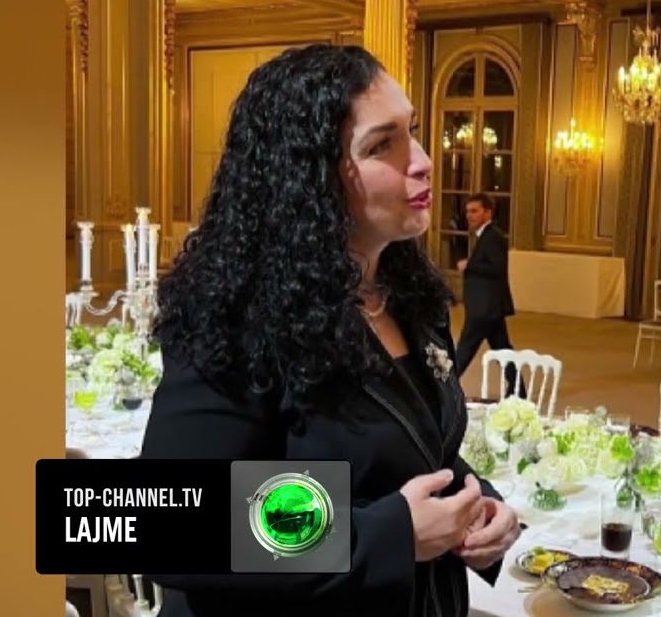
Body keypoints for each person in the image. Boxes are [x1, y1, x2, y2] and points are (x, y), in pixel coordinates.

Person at [140, 44, 521, 617]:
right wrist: (389, 536)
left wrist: (478, 504)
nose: (422, 161)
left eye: (413, 132)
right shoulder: (238, 317)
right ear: (308, 178)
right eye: (381, 145)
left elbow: (414, 452)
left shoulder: (410, 298)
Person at [454, 193, 521, 397]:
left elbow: (497, 268)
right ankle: (519, 391)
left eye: (475, 211)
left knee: (464, 349)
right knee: (503, 349)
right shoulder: (486, 235)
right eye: (468, 211)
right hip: (489, 307)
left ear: (488, 213)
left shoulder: (493, 237)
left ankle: (444, 390)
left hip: (484, 307)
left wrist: (469, 265)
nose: (469, 215)